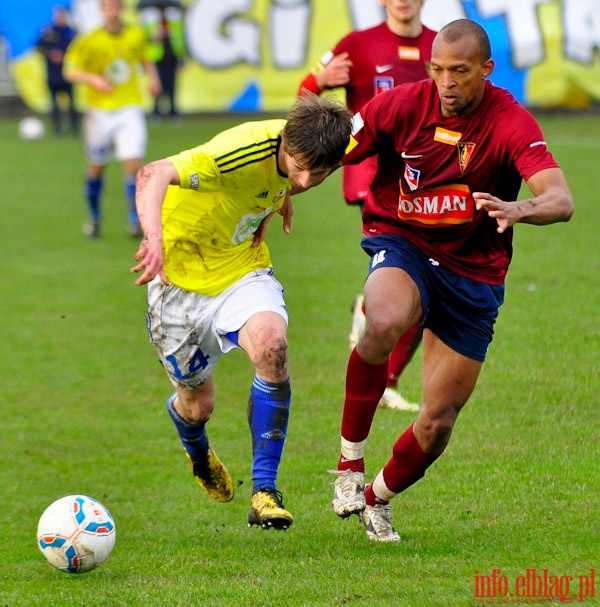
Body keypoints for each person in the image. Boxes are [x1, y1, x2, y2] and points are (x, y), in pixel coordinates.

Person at [331, 19, 573, 542]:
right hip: (405, 242)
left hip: (474, 272)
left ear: (486, 69)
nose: (446, 82)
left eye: (459, 72)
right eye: (437, 69)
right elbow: (334, 147)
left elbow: (561, 198)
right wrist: (285, 184)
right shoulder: (400, 105)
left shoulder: (510, 120)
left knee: (438, 420)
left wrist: (520, 207)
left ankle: (377, 497)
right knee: (385, 319)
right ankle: (349, 466)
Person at [130, 93, 352, 530]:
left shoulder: (316, 152)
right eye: (298, 166)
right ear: (284, 143)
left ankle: (264, 490)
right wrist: (153, 240)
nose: (306, 180)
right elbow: (152, 173)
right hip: (177, 281)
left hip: (240, 269)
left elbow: (288, 176)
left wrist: (276, 198)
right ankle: (197, 452)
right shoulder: (240, 150)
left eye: (318, 173)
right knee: (198, 407)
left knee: (273, 347)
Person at [298, 0, 437, 411]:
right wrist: (319, 77)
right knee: (415, 275)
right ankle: (380, 362)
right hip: (373, 179)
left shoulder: (439, 46)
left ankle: (383, 371)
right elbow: (304, 95)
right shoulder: (357, 44)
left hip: (428, 179)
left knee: (424, 283)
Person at [63, 0, 161, 239]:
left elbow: (145, 59)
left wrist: (153, 78)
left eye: (117, 6)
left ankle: (134, 221)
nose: (113, 11)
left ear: (122, 9)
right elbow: (70, 70)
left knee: (133, 164)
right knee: (96, 167)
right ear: (102, 10)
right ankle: (94, 217)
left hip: (129, 108)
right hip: (99, 112)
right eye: (109, 7)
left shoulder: (135, 35)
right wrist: (93, 79)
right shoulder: (90, 39)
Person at [36, 6, 78, 137]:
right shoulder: (48, 32)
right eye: (57, 16)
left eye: (62, 16)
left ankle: (75, 127)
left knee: (72, 102)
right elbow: (38, 47)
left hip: (68, 74)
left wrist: (64, 56)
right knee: (54, 103)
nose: (59, 18)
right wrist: (50, 54)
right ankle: (57, 128)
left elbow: (77, 50)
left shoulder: (71, 32)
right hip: (53, 74)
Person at [140, 3, 186, 120]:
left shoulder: (175, 25)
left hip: (171, 60)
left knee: (171, 87)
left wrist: (181, 58)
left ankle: (173, 112)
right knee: (157, 86)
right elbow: (144, 41)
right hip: (157, 60)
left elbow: (180, 42)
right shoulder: (151, 25)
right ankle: (156, 112)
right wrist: (154, 37)